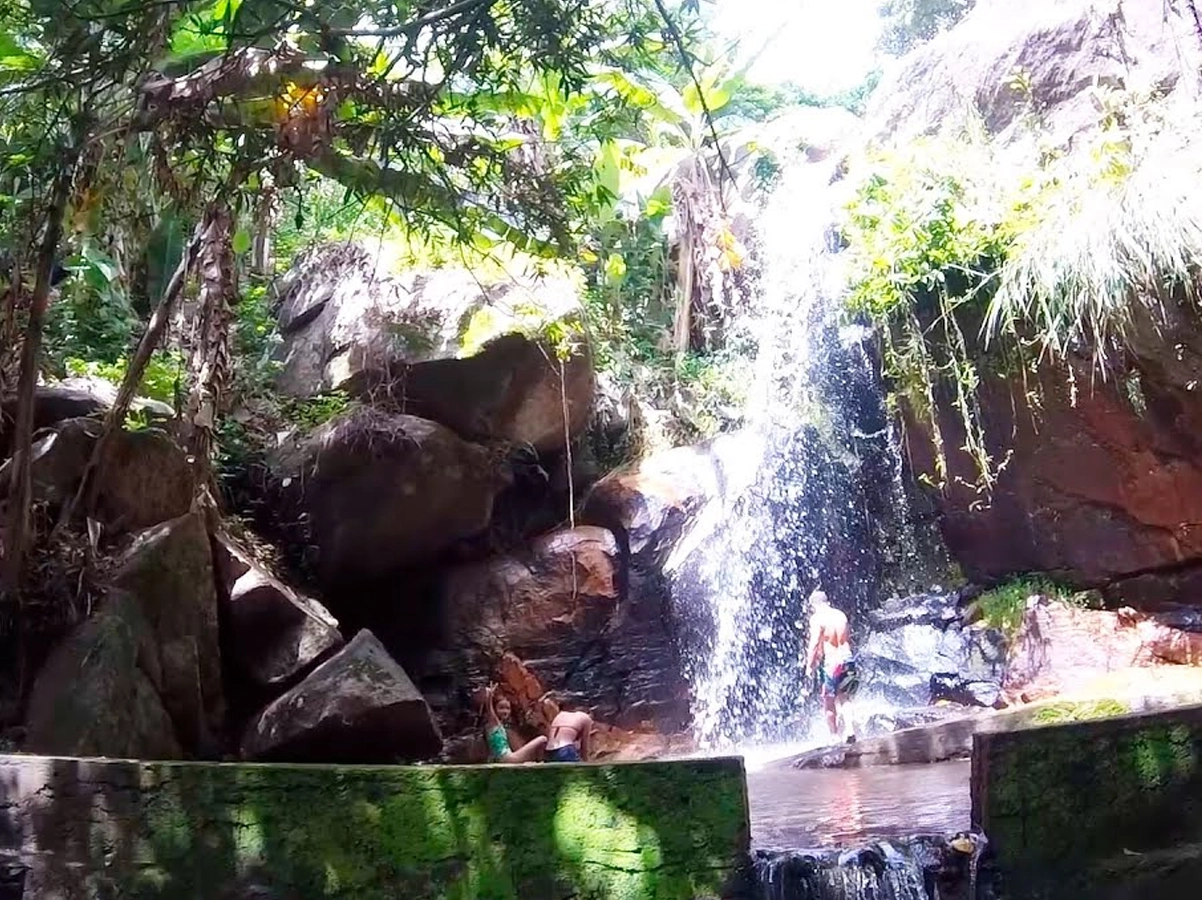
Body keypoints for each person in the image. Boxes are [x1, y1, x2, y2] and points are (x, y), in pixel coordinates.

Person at [804, 589, 859, 741]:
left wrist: (809, 666)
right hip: (847, 658)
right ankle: (850, 731)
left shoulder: (817, 618)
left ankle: (834, 736)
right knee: (845, 698)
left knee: (828, 701)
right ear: (827, 602)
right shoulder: (840, 615)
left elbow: (814, 644)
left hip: (831, 663)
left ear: (814, 605)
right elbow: (847, 638)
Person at [481, 684, 547, 763]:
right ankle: (541, 763)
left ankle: (536, 762)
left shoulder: (498, 725)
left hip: (504, 758)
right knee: (543, 738)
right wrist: (489, 698)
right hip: (508, 758)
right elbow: (489, 710)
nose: (505, 711)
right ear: (495, 709)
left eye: (508, 708)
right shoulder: (493, 723)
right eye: (501, 708)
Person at [541, 692, 593, 762]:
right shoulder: (586, 718)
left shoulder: (560, 715)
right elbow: (584, 748)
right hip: (565, 750)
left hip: (548, 751)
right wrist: (587, 765)